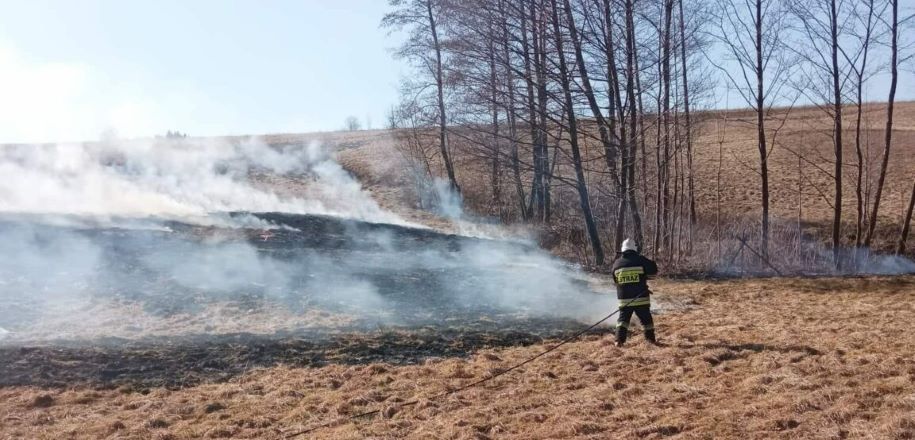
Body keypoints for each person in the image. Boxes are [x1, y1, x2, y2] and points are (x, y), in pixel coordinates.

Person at [611, 238, 658, 347]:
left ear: (623, 251)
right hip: (640, 298)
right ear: (634, 250)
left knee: (623, 320)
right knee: (646, 320)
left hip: (624, 300)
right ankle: (650, 341)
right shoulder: (640, 260)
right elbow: (653, 274)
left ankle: (618, 341)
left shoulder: (616, 264)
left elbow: (616, 281)